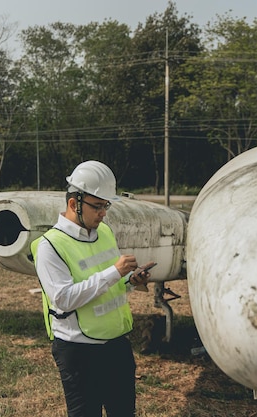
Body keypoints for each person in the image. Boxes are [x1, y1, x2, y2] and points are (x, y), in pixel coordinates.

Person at [31, 160, 152, 417]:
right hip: (79, 353)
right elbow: (63, 298)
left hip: (116, 345)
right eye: (97, 206)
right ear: (74, 203)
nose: (103, 213)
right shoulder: (50, 246)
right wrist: (115, 272)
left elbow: (108, 287)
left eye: (106, 205)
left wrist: (130, 281)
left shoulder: (104, 232)